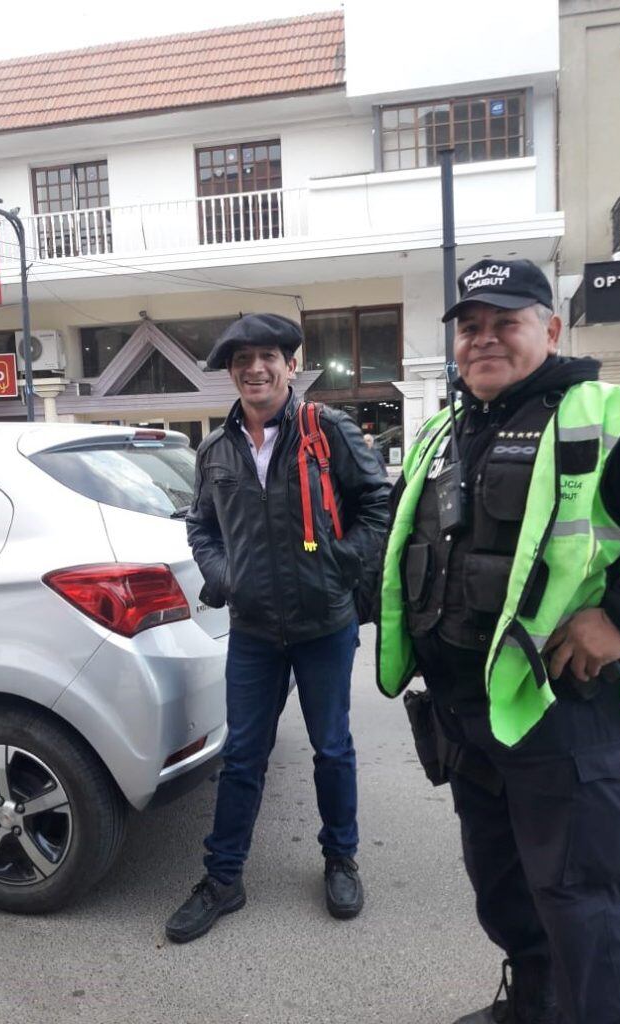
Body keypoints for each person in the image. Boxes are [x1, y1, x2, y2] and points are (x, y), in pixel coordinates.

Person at [376, 258, 620, 1023]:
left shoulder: (611, 416)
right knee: (506, 890)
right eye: (470, 327)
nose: (484, 340)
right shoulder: (446, 431)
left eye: (504, 323)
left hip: (562, 713)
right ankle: (533, 1005)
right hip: (469, 718)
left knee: (579, 904)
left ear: (549, 329)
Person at [166, 313, 390, 943]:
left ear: (291, 365)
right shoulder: (215, 450)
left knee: (332, 748)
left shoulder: (328, 430)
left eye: (267, 356)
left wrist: (339, 569)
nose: (254, 369)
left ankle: (340, 858)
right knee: (242, 756)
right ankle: (223, 877)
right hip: (256, 631)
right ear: (230, 373)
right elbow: (201, 526)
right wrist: (224, 573)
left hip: (324, 624)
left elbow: (378, 507)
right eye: (242, 361)